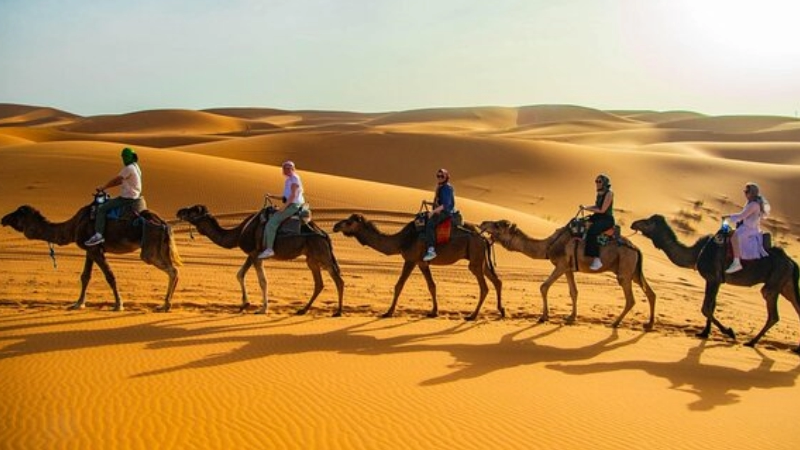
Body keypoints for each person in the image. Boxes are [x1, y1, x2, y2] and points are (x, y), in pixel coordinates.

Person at [85, 147, 142, 246]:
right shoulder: (136, 167)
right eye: (123, 157)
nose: (124, 159)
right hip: (135, 196)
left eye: (125, 157)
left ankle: (99, 235)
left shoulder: (128, 168)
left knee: (102, 209)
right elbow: (120, 181)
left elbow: (117, 180)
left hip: (127, 198)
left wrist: (104, 187)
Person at [258, 160, 305, 259]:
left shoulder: (294, 179)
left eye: (289, 168)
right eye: (285, 168)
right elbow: (285, 197)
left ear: (293, 169)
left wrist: (283, 207)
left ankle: (269, 249)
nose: (286, 170)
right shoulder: (288, 180)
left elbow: (292, 196)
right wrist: (272, 196)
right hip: (290, 204)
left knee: (271, 223)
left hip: (293, 206)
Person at [723, 182, 770, 274]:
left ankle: (737, 262)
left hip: (750, 229)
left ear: (752, 192)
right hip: (746, 227)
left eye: (747, 191)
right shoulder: (750, 203)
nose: (745, 193)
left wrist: (728, 217)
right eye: (745, 191)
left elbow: (742, 215)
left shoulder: (754, 205)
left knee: (734, 237)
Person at [580, 173, 615, 271]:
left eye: (599, 181)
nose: (597, 183)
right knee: (579, 223)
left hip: (606, 219)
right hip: (598, 216)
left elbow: (602, 210)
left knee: (592, 231)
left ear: (604, 183)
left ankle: (597, 259)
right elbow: (596, 208)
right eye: (596, 181)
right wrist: (585, 207)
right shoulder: (599, 193)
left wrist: (589, 209)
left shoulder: (609, 193)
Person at [423, 168, 456, 262]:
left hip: (445, 213)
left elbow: (445, 205)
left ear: (446, 177)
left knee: (430, 224)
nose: (440, 178)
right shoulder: (441, 186)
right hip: (440, 211)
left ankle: (431, 250)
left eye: (442, 176)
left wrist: (433, 212)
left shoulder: (446, 188)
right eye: (438, 176)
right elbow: (439, 203)